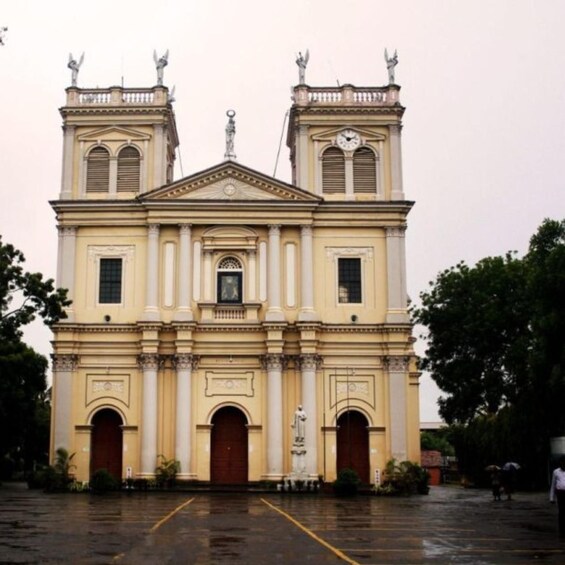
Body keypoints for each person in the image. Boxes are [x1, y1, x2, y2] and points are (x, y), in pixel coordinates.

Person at [550, 455, 565, 536]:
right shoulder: (556, 472)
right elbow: (553, 485)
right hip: (560, 493)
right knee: (561, 512)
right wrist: (551, 497)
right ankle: (562, 530)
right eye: (562, 462)